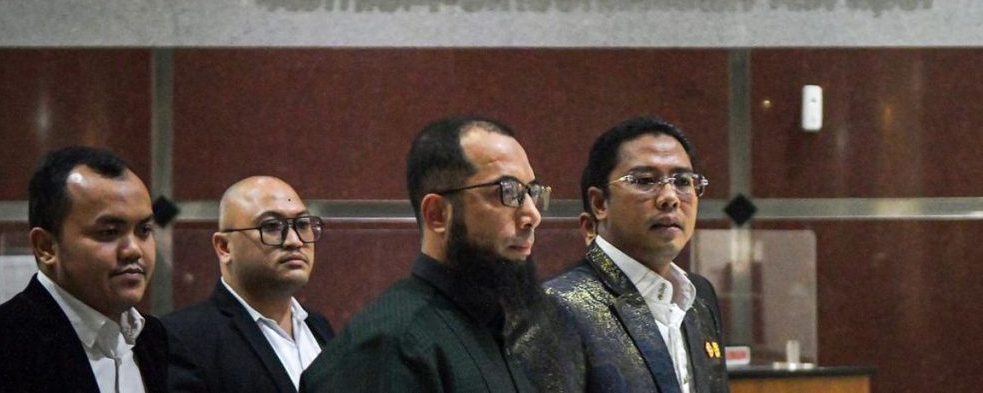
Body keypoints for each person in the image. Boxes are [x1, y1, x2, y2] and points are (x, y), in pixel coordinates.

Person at [301, 117, 550, 393]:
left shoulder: (498, 329)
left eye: (532, 192)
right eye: (508, 191)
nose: (533, 215)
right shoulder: (394, 345)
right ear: (437, 214)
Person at [541, 117, 729, 393]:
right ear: (599, 203)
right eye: (645, 181)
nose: (670, 197)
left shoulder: (700, 295)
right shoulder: (557, 305)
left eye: (682, 181)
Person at [0, 146, 168, 393]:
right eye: (109, 232)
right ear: (46, 247)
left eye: (144, 230)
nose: (133, 250)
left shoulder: (154, 339)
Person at [163, 176, 333, 393]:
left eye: (302, 224)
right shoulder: (184, 337)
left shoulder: (317, 326)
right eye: (272, 226)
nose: (295, 241)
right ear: (224, 247)